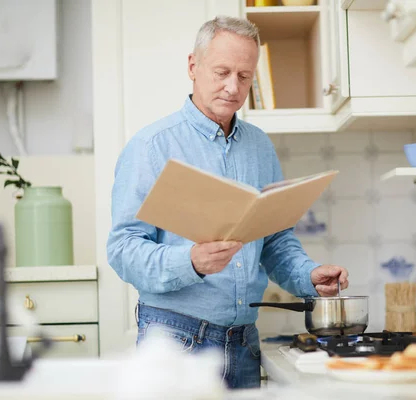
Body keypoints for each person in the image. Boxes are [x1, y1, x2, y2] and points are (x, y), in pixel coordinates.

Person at [107, 15, 349, 390]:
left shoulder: (259, 146)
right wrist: (190, 261)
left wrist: (308, 277)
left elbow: (275, 240)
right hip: (175, 341)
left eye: (244, 76)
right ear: (193, 66)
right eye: (221, 72)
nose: (232, 87)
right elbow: (123, 250)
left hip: (243, 344)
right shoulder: (151, 147)